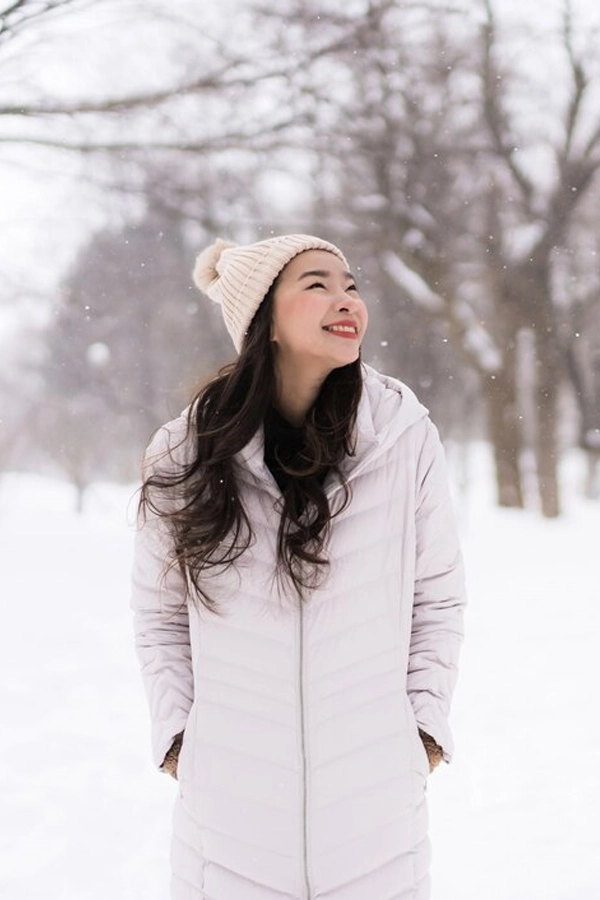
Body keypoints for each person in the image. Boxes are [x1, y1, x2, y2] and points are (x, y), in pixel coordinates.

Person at [130, 233, 466, 900]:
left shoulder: (403, 438)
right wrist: (181, 742)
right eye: (317, 284)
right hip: (229, 826)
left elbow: (437, 599)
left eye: (351, 285)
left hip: (376, 822)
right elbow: (160, 614)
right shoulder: (185, 453)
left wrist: (421, 732)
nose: (347, 300)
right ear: (265, 321)